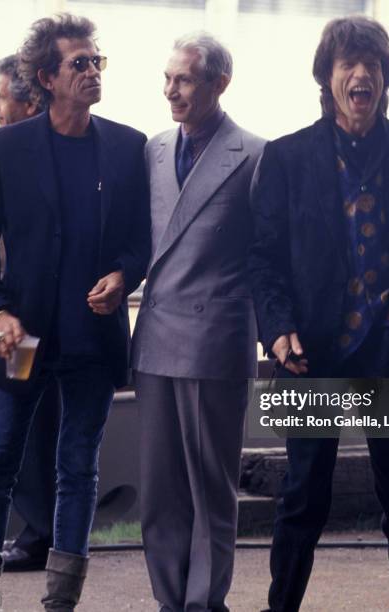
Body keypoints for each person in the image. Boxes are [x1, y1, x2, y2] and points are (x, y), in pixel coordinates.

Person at [248, 16, 389, 612]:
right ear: (326, 77)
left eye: (373, 65)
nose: (361, 74)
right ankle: (281, 605)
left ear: (386, 79)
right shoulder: (285, 158)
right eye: (348, 65)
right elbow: (263, 258)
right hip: (312, 354)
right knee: (303, 493)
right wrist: (278, 329)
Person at [0, 13, 150, 611]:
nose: (93, 72)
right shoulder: (4, 148)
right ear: (47, 76)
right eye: (79, 64)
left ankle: (61, 602)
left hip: (91, 342)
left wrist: (124, 275)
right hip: (26, 342)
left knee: (78, 470)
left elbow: (138, 242)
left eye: (97, 61)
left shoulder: (127, 147)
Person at [131, 32, 264, 612]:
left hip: (217, 339)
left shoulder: (255, 154)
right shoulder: (153, 149)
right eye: (167, 78)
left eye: (184, 79)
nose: (171, 91)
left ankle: (204, 602)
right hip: (157, 338)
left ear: (219, 84)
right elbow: (144, 242)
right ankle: (169, 600)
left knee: (211, 488)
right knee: (161, 489)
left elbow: (269, 257)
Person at [0, 53, 57, 574]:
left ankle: (38, 537)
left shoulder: (25, 154)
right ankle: (38, 533)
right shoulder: (8, 152)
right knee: (31, 429)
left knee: (32, 432)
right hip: (18, 326)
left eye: (2, 96)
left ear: (30, 99)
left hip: (34, 328)